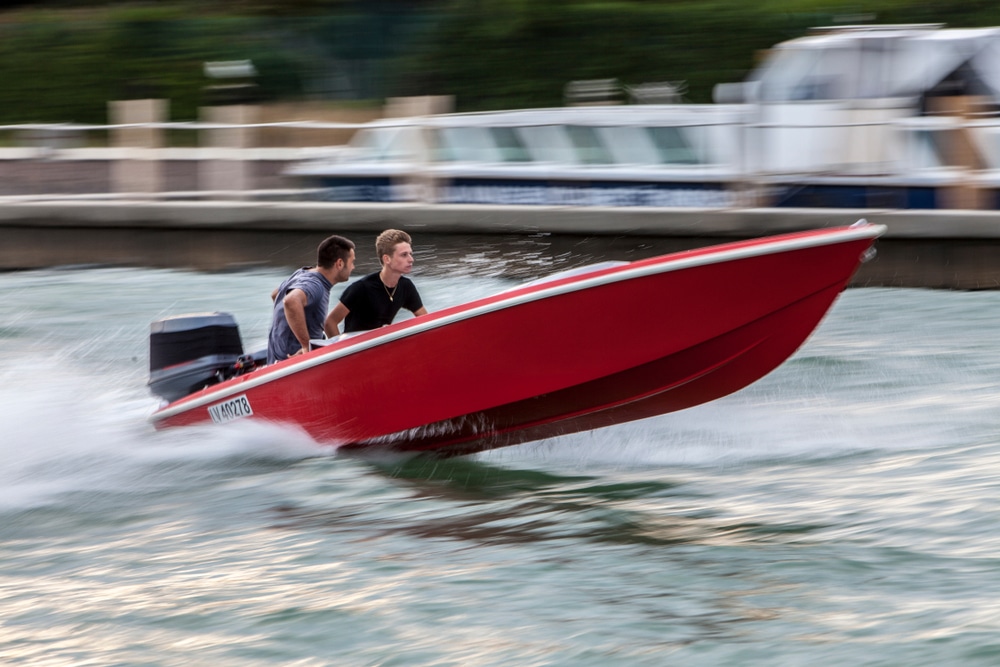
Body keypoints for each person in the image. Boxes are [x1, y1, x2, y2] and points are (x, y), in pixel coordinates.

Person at [267, 234, 356, 364]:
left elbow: (276, 295)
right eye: (352, 262)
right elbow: (290, 301)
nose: (353, 267)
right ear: (340, 263)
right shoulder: (316, 285)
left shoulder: (302, 273)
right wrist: (305, 346)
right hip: (294, 369)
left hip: (279, 361)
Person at [325, 229, 427, 337]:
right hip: (355, 348)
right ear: (387, 259)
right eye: (404, 255)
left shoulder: (406, 287)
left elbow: (425, 319)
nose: (411, 259)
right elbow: (330, 323)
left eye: (411, 254)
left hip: (382, 344)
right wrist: (343, 349)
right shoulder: (361, 288)